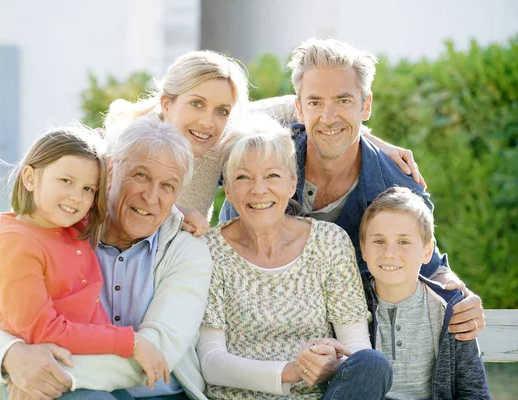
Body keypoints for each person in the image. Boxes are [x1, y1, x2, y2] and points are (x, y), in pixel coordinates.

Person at [219, 37, 485, 341]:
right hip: (253, 335)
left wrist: (460, 296)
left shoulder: (398, 186)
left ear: (366, 105)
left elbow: (430, 264)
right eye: (315, 102)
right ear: (298, 109)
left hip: (354, 345)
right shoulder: (261, 157)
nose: (328, 118)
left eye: (343, 101)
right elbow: (202, 135)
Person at [0, 116, 213, 400]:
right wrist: (12, 356)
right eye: (140, 176)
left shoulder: (186, 251)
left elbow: (157, 351)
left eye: (168, 186)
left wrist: (46, 376)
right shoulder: (55, 231)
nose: (151, 197)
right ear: (110, 170)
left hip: (157, 394)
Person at [105, 50, 426, 236]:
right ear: (166, 103)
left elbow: (308, 107)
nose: (207, 121)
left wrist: (373, 140)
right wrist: (180, 214)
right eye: (196, 104)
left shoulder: (220, 135)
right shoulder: (135, 143)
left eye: (221, 110)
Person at [197, 113, 392, 399]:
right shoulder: (209, 251)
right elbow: (211, 361)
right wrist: (293, 370)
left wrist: (331, 364)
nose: (259, 189)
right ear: (227, 188)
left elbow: (356, 348)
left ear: (292, 183)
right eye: (243, 177)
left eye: (272, 175)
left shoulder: (329, 243)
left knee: (373, 365)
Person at [360, 187, 490, 399]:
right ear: (363, 249)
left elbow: (474, 392)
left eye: (404, 242)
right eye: (379, 241)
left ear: (427, 251)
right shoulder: (351, 302)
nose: (390, 253)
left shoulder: (448, 307)